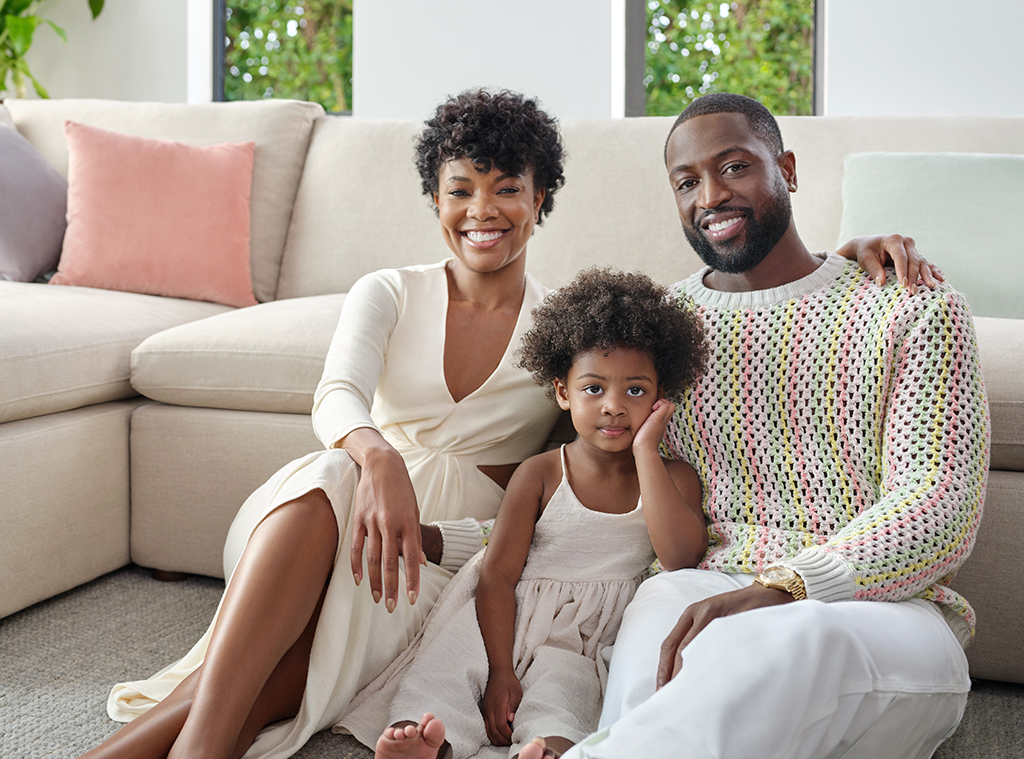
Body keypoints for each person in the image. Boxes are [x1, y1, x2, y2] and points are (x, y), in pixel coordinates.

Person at [78, 86, 939, 759]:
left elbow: (679, 333)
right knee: (330, 475)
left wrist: (848, 251)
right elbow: (336, 395)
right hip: (338, 513)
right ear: (434, 197)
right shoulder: (390, 290)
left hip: (436, 551)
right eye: (460, 190)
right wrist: (376, 457)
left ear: (540, 201)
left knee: (286, 680)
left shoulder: (565, 332)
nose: (482, 210)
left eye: (506, 190)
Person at [522, 93, 989, 759]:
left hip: (886, 609)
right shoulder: (665, 330)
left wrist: (783, 586)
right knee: (661, 611)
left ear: (787, 170)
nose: (710, 195)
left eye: (735, 167)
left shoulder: (912, 307)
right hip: (710, 583)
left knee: (798, 637)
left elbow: (938, 506)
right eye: (687, 182)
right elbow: (591, 467)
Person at [344, 268, 709, 759]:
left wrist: (647, 452)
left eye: (636, 391)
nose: (615, 407)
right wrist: (500, 669)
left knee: (565, 696)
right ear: (562, 392)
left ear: (663, 395)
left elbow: (681, 557)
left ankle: (546, 751)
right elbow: (496, 575)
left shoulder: (674, 478)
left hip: (581, 638)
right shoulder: (541, 473)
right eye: (594, 389)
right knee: (446, 670)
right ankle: (429, 743)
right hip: (502, 613)